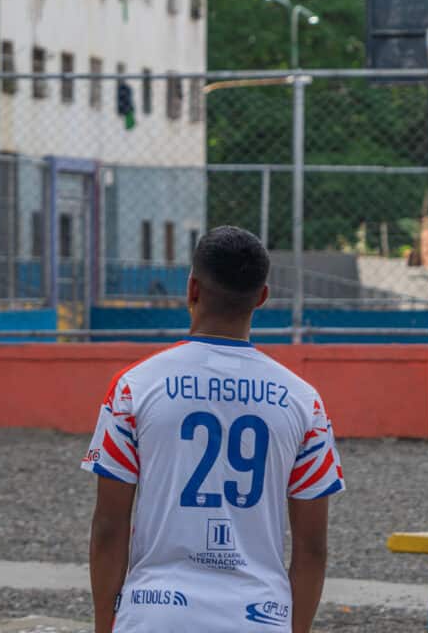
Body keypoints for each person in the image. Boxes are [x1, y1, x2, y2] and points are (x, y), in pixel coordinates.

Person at [81, 226, 344, 633]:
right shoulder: (303, 401)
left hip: (156, 614)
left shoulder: (134, 387)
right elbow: (312, 548)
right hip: (260, 617)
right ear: (262, 298)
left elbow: (109, 526)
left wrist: (104, 624)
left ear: (192, 289)